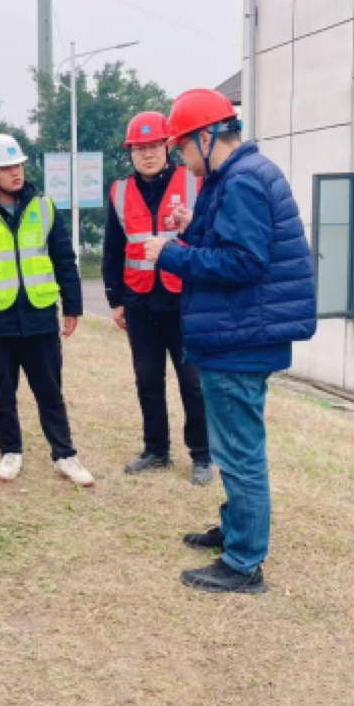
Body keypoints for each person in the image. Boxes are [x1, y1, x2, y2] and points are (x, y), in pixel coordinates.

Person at [143, 89, 316, 594]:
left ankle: (243, 563)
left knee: (239, 453)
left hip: (240, 340)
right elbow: (234, 243)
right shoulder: (237, 175)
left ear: (206, 136)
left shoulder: (241, 180)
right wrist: (192, 227)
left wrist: (170, 253)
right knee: (233, 445)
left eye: (181, 145)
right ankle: (236, 529)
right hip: (239, 334)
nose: (179, 157)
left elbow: (243, 263)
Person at [0, 133, 93, 487]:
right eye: (6, 168)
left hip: (40, 316)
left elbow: (64, 259)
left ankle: (65, 454)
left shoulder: (44, 208)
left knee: (50, 391)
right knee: (3, 394)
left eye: (18, 165)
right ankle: (10, 452)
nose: (16, 172)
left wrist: (72, 306)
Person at [103, 111, 214, 486]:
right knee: (148, 380)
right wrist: (115, 300)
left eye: (154, 146)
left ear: (168, 147)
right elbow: (113, 250)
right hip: (139, 301)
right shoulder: (119, 192)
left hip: (184, 300)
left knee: (192, 383)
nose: (147, 154)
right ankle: (156, 450)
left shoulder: (195, 181)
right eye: (139, 148)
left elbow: (212, 238)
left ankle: (202, 455)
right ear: (130, 152)